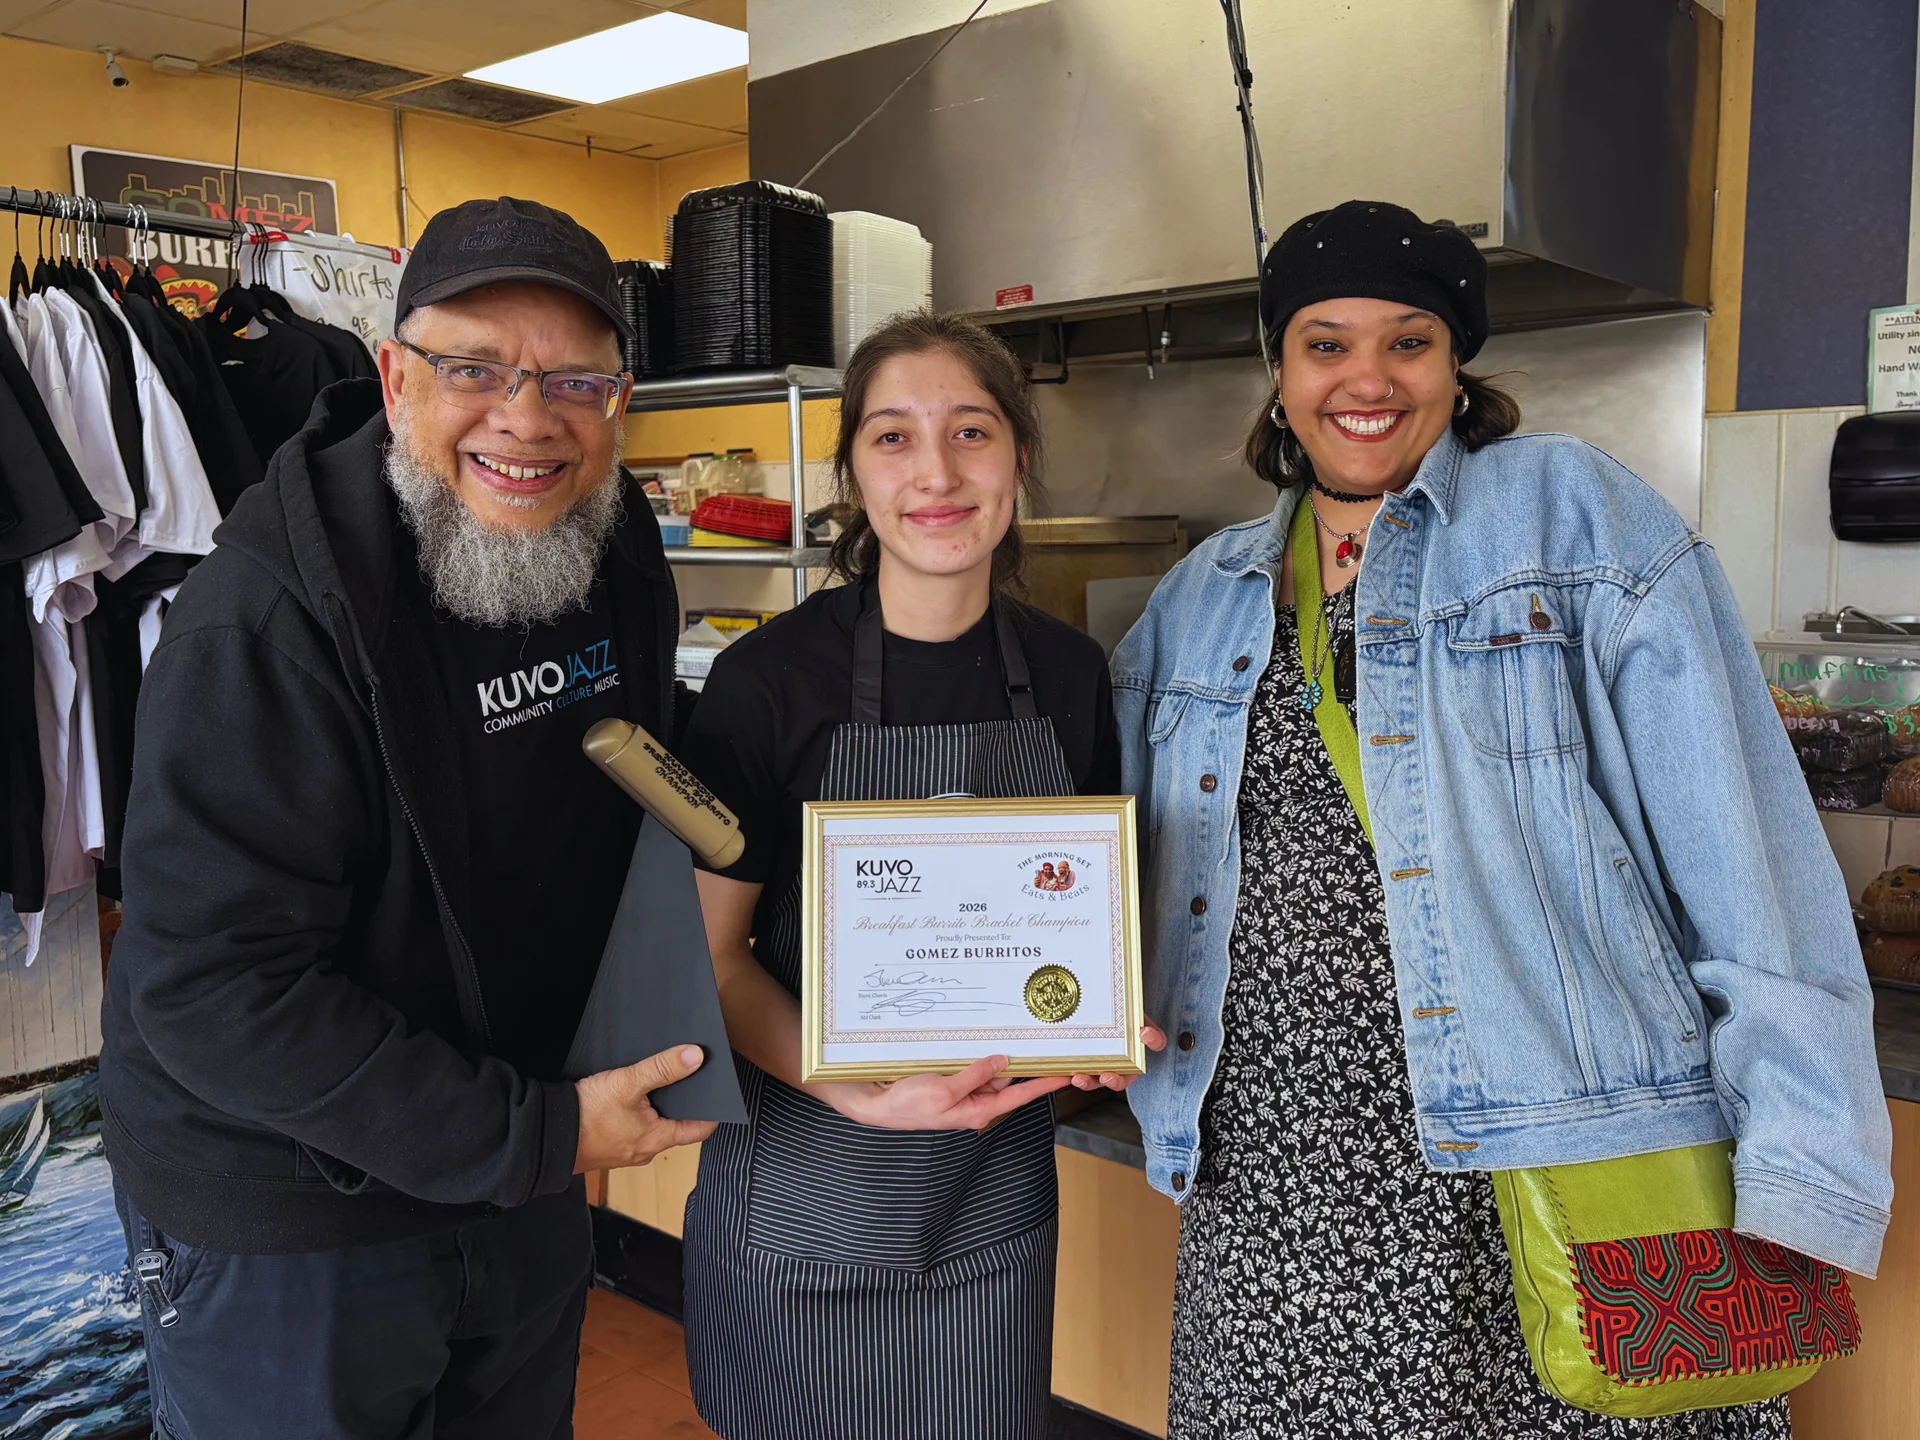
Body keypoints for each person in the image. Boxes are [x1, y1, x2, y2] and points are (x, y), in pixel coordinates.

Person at [1114, 201, 1892, 1438]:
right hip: (1276, 1178)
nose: (1365, 379)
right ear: (1279, 368)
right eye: (1325, 344)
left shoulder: (1576, 520)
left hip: (1558, 1152)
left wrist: (1804, 1172)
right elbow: (1122, 855)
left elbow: (1753, 868)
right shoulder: (1198, 596)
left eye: (1408, 342)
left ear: (1457, 363)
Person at [97, 197, 714, 1439]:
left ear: (620, 403)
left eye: (574, 382)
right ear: (393, 377)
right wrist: (536, 1131)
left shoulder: (613, 547)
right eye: (474, 368)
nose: (525, 419)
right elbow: (218, 991)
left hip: (517, 1171)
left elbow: (631, 777)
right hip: (292, 1210)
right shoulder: (264, 622)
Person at [678, 311, 1129, 1440]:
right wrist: (858, 1094)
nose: (936, 472)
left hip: (991, 1214)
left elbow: (1080, 932)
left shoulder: (1074, 677)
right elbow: (712, 961)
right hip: (803, 1198)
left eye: (971, 431)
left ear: (1020, 456)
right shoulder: (765, 683)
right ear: (854, 475)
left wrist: (1109, 1032)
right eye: (893, 437)